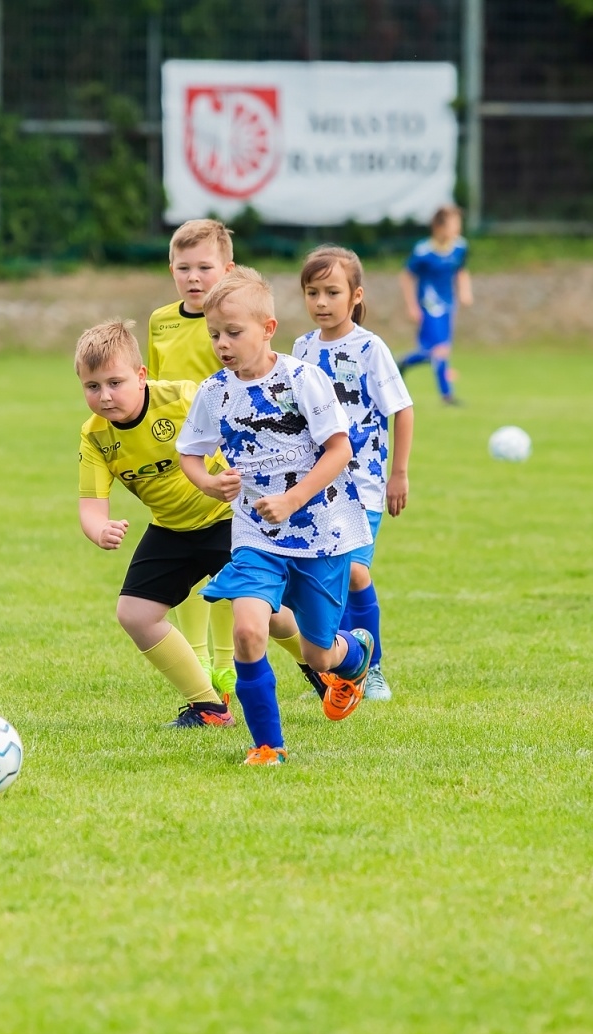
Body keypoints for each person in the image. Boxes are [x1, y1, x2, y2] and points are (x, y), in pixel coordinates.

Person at [177, 268, 376, 766]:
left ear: (268, 328)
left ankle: (355, 650)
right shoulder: (214, 392)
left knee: (318, 655)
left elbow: (337, 450)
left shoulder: (302, 380)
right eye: (214, 334)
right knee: (247, 630)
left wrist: (292, 499)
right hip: (255, 536)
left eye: (233, 332)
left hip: (319, 535)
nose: (222, 344)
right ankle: (268, 745)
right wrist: (208, 483)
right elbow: (190, 454)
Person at [75, 319, 237, 729]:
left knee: (267, 615)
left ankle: (326, 666)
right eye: (93, 387)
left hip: (230, 519)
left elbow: (242, 439)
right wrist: (100, 530)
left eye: (116, 382)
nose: (105, 396)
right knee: (135, 613)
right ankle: (210, 709)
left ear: (142, 376)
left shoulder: (184, 397)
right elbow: (91, 506)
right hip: (172, 529)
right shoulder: (94, 436)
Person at [291, 245, 414, 701]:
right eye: (312, 292)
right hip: (317, 488)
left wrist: (398, 474)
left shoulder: (369, 348)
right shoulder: (301, 348)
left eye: (332, 292)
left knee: (356, 575)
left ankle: (373, 666)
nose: (321, 302)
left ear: (355, 295)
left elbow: (402, 409)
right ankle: (340, 672)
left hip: (361, 487)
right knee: (327, 579)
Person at [145, 219, 239, 701]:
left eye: (205, 267)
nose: (194, 277)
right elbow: (155, 389)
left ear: (228, 269)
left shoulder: (230, 321)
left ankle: (227, 666)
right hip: (179, 460)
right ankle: (198, 657)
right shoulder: (160, 320)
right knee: (188, 559)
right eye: (184, 268)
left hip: (228, 460)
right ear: (171, 270)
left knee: (223, 563)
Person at [397, 205, 472, 405]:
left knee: (434, 350)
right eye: (453, 223)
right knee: (440, 348)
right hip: (429, 305)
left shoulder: (460, 247)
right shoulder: (424, 251)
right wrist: (411, 306)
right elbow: (406, 276)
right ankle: (447, 395)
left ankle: (403, 362)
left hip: (448, 304)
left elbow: (461, 270)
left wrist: (465, 291)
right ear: (438, 227)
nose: (458, 228)